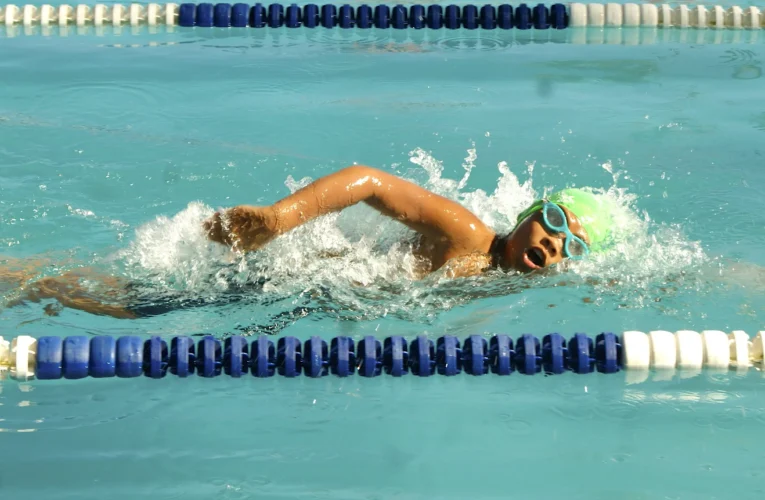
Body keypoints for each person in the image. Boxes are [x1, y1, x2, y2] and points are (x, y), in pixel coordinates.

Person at [1, 165, 613, 319]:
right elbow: (369, 181)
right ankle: (14, 277)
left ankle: (21, 281)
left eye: (572, 248)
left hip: (320, 294)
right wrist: (279, 219)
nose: (555, 245)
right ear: (531, 212)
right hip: (287, 276)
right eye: (554, 224)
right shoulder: (470, 235)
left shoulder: (502, 283)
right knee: (134, 303)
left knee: (135, 301)